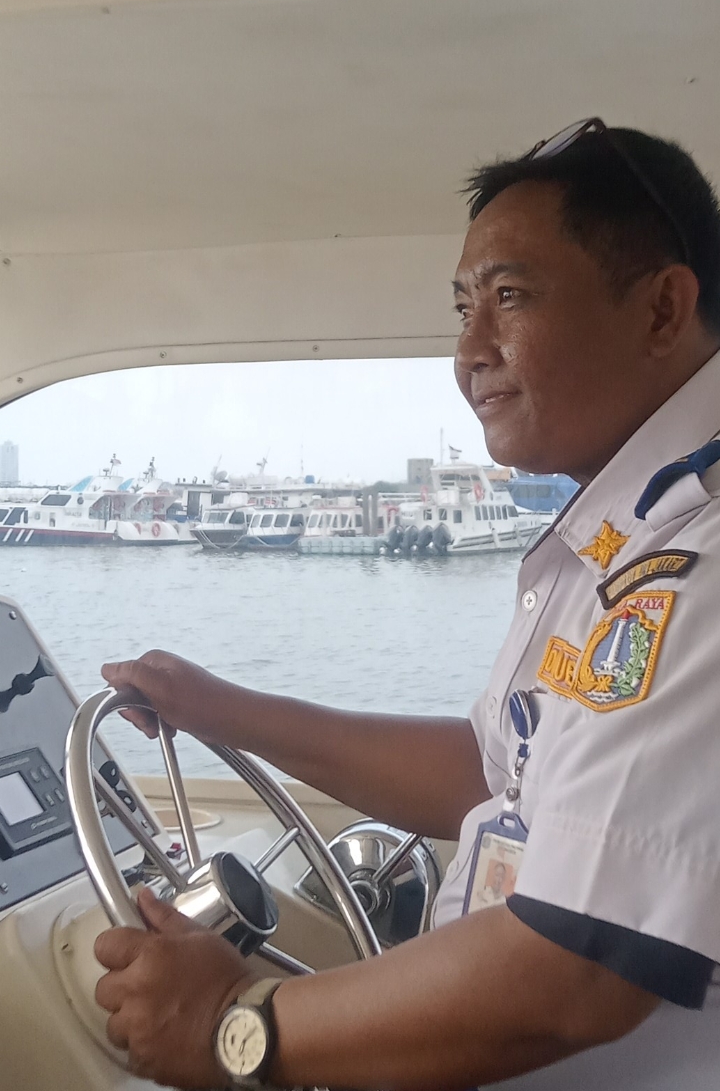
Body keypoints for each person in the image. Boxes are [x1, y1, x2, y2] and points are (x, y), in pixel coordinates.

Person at [95, 118, 720, 1090]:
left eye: (509, 297)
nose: (469, 351)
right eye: (463, 307)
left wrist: (235, 1024)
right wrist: (222, 711)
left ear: (661, 310)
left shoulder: (699, 559)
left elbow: (574, 974)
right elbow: (497, 773)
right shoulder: (619, 535)